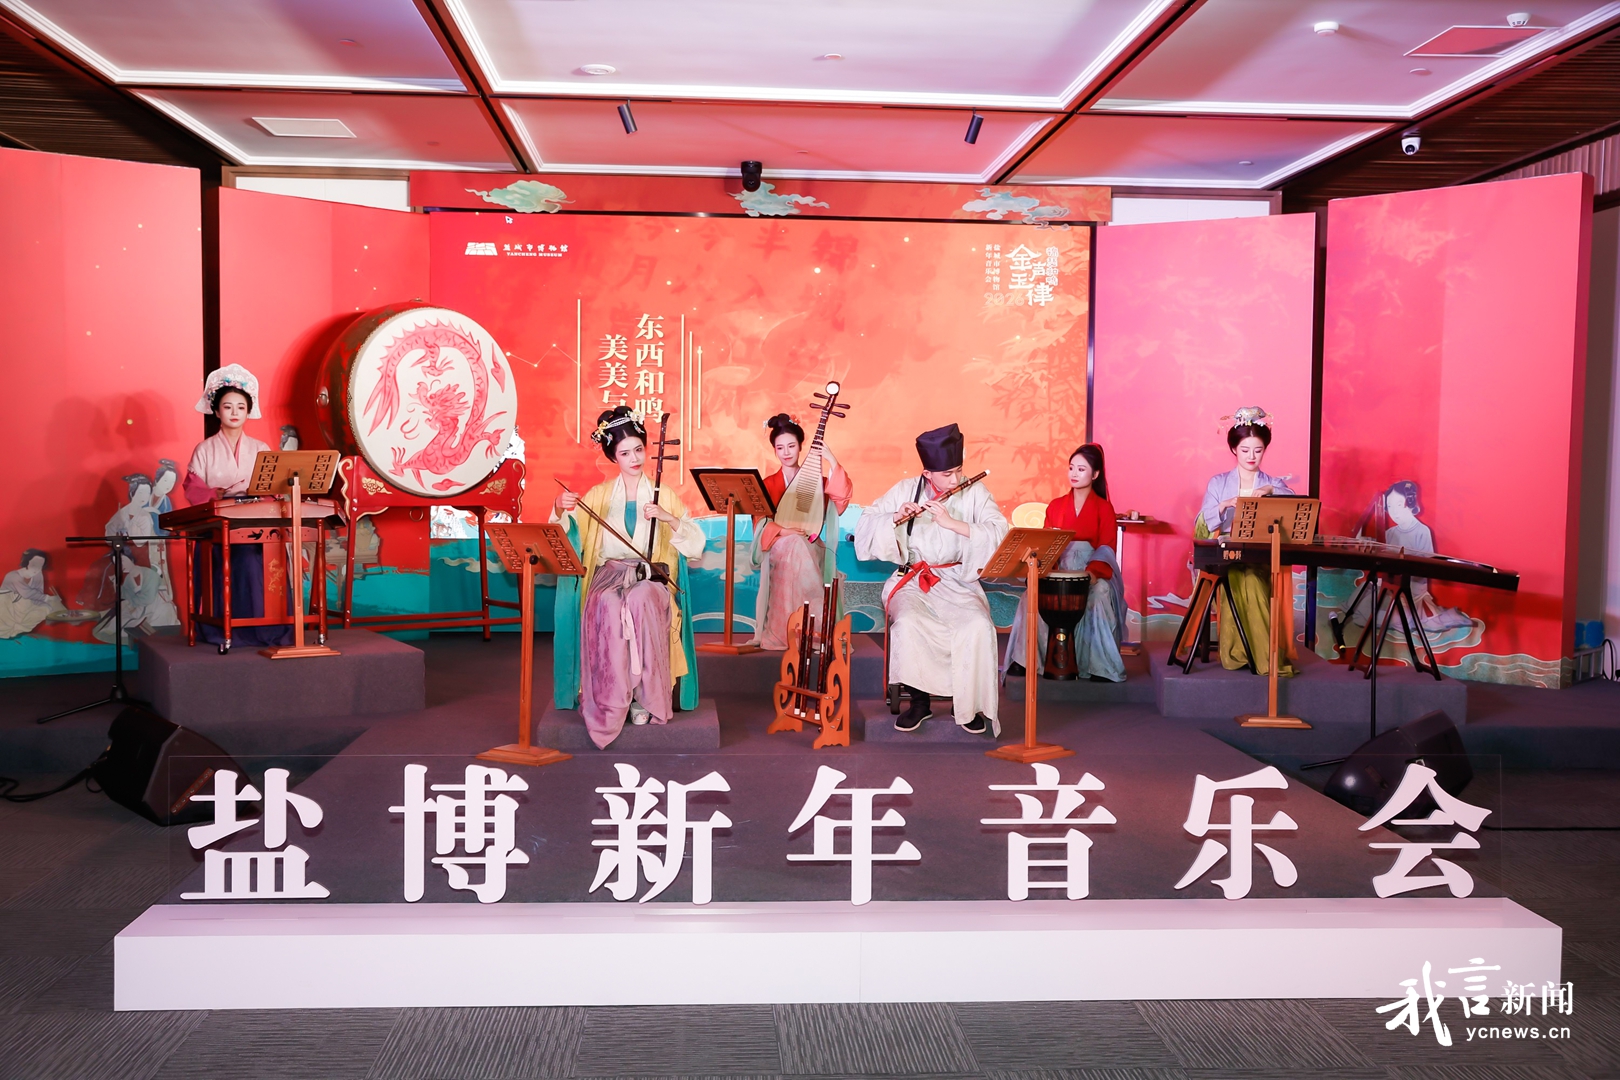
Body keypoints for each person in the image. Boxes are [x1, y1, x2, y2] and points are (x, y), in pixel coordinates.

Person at [552, 406, 704, 748]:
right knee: (607, 604)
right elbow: (570, 535)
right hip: (609, 576)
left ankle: (646, 697)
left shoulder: (664, 494)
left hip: (650, 578)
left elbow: (695, 544)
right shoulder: (599, 496)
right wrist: (561, 507)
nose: (634, 458)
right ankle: (611, 699)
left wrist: (668, 517)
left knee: (640, 599)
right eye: (624, 453)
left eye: (638, 449)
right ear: (613, 457)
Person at [854, 423, 1009, 735]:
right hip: (914, 578)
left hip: (957, 578)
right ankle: (919, 702)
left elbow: (998, 531)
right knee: (909, 622)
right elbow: (866, 525)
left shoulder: (975, 492)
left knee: (977, 625)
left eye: (958, 471)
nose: (955, 480)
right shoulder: (905, 489)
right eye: (947, 474)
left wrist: (953, 523)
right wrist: (894, 518)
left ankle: (965, 704)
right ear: (928, 473)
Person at [182, 364, 291, 647]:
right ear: (217, 411)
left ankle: (268, 628)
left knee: (257, 558)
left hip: (255, 523)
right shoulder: (204, 449)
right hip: (217, 526)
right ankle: (226, 629)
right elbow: (193, 487)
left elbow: (273, 488)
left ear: (248, 412)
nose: (234, 412)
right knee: (234, 559)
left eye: (240, 407)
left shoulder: (260, 448)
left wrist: (258, 497)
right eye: (227, 407)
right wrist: (215, 493)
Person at [1001, 443, 1126, 682]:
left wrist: (1091, 574)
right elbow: (1047, 546)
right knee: (1031, 595)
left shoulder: (1104, 508)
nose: (1074, 474)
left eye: (1081, 469)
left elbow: (1106, 548)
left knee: (1100, 594)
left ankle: (1099, 665)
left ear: (1095, 474)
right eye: (1071, 468)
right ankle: (1027, 660)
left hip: (1091, 572)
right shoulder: (1056, 506)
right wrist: (1047, 571)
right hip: (1058, 571)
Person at [1197, 406, 1295, 675]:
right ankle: (1246, 653)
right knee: (1242, 577)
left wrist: (1271, 489)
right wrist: (1223, 505)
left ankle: (1262, 654)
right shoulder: (1218, 483)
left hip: (1259, 554)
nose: (1251, 456)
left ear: (1265, 450)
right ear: (1234, 449)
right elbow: (1203, 520)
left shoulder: (1271, 483)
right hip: (1226, 555)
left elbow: (1292, 500)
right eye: (1245, 450)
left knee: (1253, 578)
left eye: (1258, 450)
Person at [749, 412, 854, 650]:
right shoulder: (768, 484)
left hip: (810, 544)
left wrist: (832, 461)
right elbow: (760, 523)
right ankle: (807, 630)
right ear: (774, 450)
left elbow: (840, 502)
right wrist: (785, 532)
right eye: (780, 448)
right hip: (779, 545)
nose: (786, 452)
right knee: (795, 545)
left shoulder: (817, 482)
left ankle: (811, 630)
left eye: (791, 446)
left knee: (801, 546)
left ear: (800, 446)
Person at [0, 549, 63, 638]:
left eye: (40, 566)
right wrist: (48, 598)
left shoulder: (38, 575)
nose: (36, 569)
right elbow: (26, 593)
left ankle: (16, 630)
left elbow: (38, 595)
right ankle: (6, 631)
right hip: (7, 610)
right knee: (17, 599)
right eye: (34, 565)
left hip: (24, 610)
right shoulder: (13, 576)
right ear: (26, 562)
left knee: (46, 608)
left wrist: (51, 605)